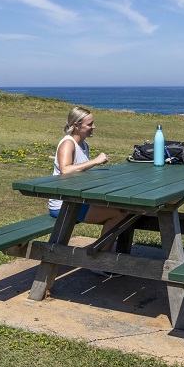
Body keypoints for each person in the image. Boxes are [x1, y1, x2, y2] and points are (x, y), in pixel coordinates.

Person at [49, 106, 127, 276]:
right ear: (76, 125)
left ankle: (103, 255)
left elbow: (80, 173)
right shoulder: (68, 143)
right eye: (90, 124)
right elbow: (65, 170)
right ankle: (98, 261)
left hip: (77, 200)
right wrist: (95, 162)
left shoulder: (82, 144)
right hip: (64, 205)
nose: (94, 127)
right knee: (117, 215)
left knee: (124, 210)